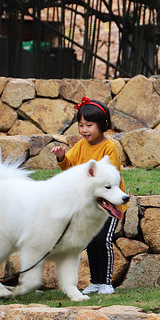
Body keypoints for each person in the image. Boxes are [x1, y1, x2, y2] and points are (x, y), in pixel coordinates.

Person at [51, 96, 128, 295]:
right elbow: (69, 166)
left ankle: (106, 283)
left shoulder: (108, 147)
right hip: (90, 205)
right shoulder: (81, 146)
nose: (84, 130)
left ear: (103, 125)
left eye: (89, 125)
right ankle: (95, 282)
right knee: (91, 241)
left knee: (103, 240)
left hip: (109, 205)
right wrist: (61, 157)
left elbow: (110, 176)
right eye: (81, 125)